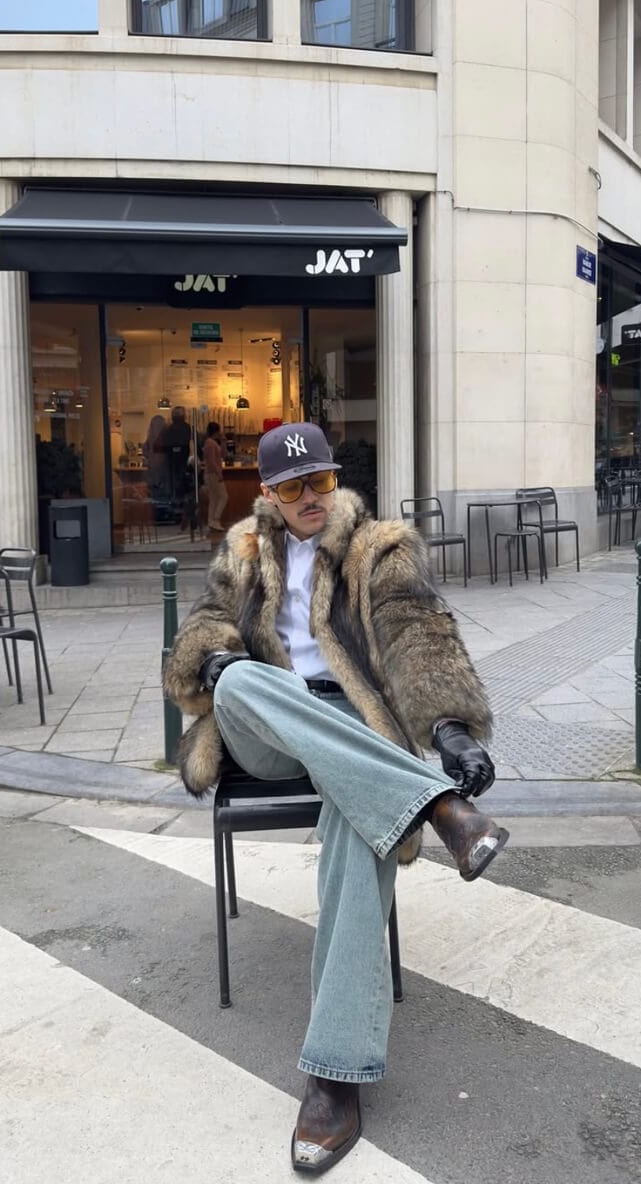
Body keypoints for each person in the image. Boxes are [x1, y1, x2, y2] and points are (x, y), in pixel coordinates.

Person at [164, 421, 508, 1176]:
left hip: (354, 723)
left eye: (320, 481)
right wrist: (217, 653)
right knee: (241, 678)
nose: (311, 498)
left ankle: (334, 1074)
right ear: (269, 496)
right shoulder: (241, 554)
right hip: (269, 726)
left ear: (334, 479)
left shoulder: (378, 547)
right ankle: (436, 806)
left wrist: (450, 726)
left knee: (362, 817)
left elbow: (420, 635)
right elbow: (202, 635)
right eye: (293, 488)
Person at [202, 421, 228, 538]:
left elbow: (223, 455)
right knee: (223, 496)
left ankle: (211, 521)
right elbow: (212, 461)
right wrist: (219, 474)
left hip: (211, 474)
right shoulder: (210, 443)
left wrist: (223, 442)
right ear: (216, 431)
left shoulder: (211, 443)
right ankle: (215, 519)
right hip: (213, 474)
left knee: (213, 498)